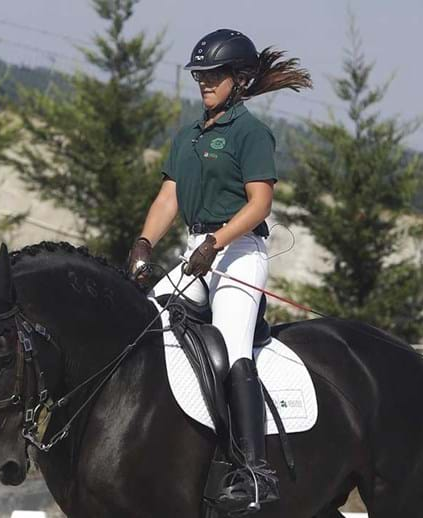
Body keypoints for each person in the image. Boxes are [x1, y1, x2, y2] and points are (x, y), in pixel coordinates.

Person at [127, 29, 312, 513]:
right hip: (196, 251)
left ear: (240, 78)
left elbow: (260, 204)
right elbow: (168, 198)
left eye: (213, 75)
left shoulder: (250, 132)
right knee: (141, 328)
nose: (204, 82)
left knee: (231, 350)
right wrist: (145, 242)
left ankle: (254, 471)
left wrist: (216, 242)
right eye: (200, 75)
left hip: (239, 251)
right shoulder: (186, 136)